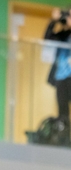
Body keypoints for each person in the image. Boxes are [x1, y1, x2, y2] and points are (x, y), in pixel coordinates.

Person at [44, 7, 71, 143]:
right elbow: (48, 38)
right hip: (61, 77)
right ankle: (64, 138)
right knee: (62, 111)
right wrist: (53, 21)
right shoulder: (64, 35)